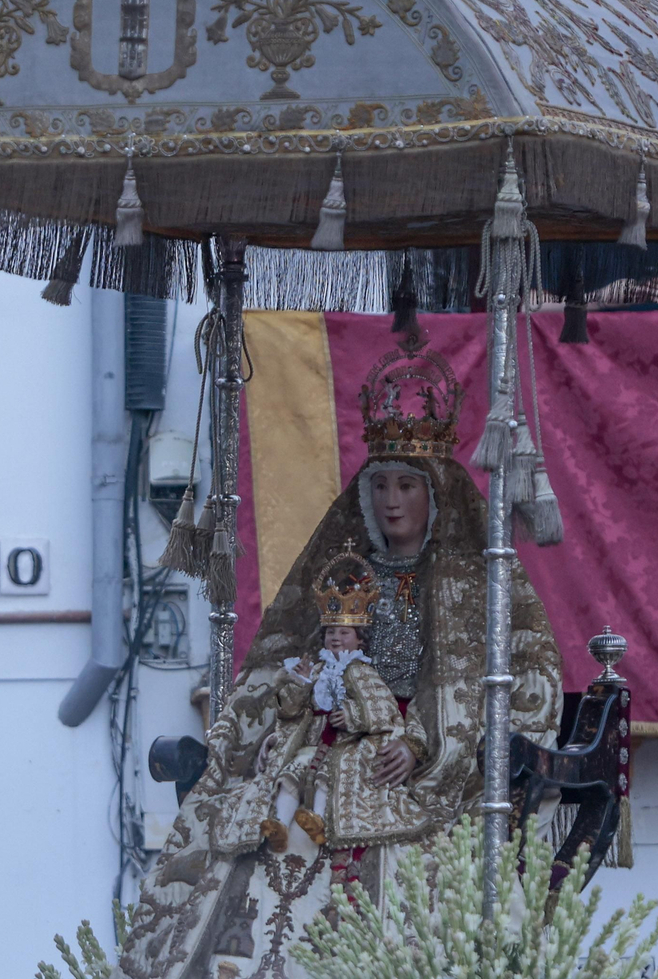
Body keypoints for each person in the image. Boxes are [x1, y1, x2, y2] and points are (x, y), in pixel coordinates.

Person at [118, 335, 563, 979]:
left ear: (434, 494)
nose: (391, 500)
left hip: (427, 756)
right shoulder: (348, 574)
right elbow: (300, 667)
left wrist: (420, 741)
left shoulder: (470, 582)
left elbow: (487, 682)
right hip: (335, 737)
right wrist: (277, 721)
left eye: (406, 485)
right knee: (282, 803)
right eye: (380, 485)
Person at [258, 545, 431, 856]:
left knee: (328, 776)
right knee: (292, 772)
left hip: (348, 745)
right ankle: (279, 824)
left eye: (343, 633)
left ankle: (319, 821)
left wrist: (352, 716)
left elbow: (383, 709)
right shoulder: (316, 670)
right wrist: (299, 684)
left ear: (360, 641)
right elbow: (292, 710)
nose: (335, 638)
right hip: (313, 740)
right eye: (330, 633)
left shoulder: (361, 672)